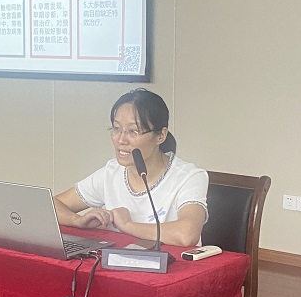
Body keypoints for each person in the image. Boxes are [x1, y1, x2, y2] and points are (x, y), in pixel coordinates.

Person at [54, 89, 208, 247]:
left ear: (161, 136)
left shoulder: (189, 177)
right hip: (118, 261)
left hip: (171, 262)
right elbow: (50, 206)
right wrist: (77, 220)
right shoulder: (111, 173)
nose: (121, 140)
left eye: (133, 131)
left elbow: (186, 235)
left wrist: (127, 225)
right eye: (116, 129)